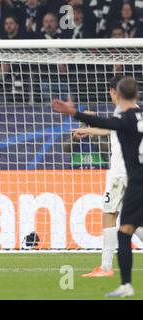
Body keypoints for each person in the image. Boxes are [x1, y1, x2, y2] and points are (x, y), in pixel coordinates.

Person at [53, 77, 143, 297]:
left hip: (120, 173)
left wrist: (78, 116)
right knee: (131, 221)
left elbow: (112, 125)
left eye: (111, 92)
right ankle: (108, 269)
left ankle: (105, 267)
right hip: (132, 173)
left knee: (109, 215)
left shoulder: (123, 114)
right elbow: (113, 129)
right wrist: (91, 130)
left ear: (115, 92)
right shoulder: (136, 114)